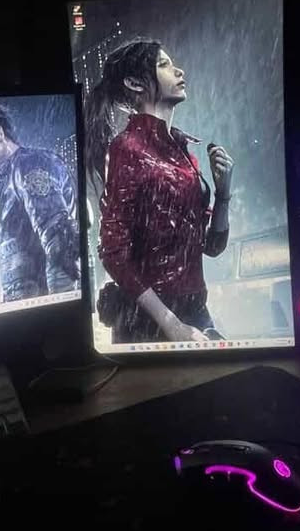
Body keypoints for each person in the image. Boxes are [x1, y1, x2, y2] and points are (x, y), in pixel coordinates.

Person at [84, 38, 234, 345]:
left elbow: (212, 246)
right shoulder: (127, 148)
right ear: (135, 83)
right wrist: (171, 324)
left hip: (195, 311)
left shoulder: (184, 154)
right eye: (164, 64)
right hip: (148, 322)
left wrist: (223, 193)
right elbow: (112, 252)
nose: (179, 71)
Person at [0, 100, 80, 303]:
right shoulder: (6, 185)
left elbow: (60, 244)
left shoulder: (29, 165)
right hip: (29, 309)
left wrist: (59, 308)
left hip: (43, 309)